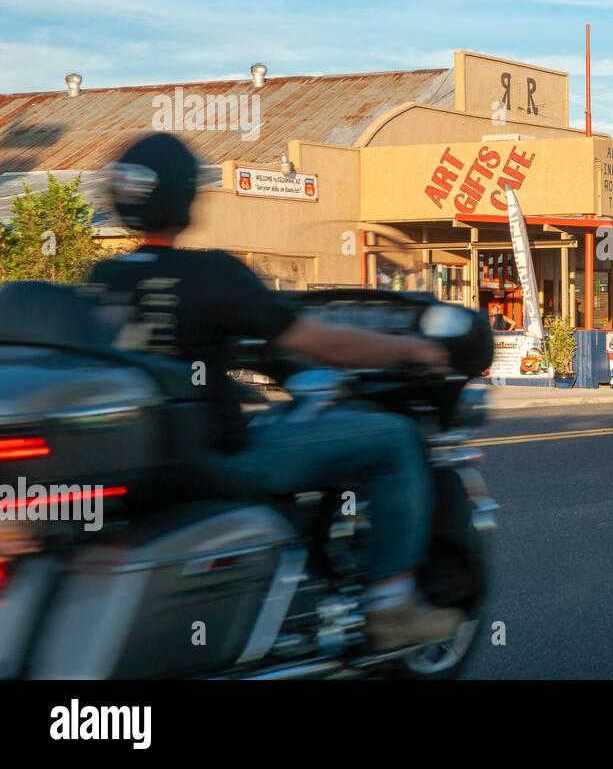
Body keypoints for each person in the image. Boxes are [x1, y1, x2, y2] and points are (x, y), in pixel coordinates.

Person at [83, 133, 462, 651]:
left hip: (142, 467)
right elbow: (319, 342)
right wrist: (413, 351)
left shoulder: (102, 277)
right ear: (186, 195)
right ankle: (390, 605)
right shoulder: (212, 272)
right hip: (217, 460)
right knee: (393, 439)